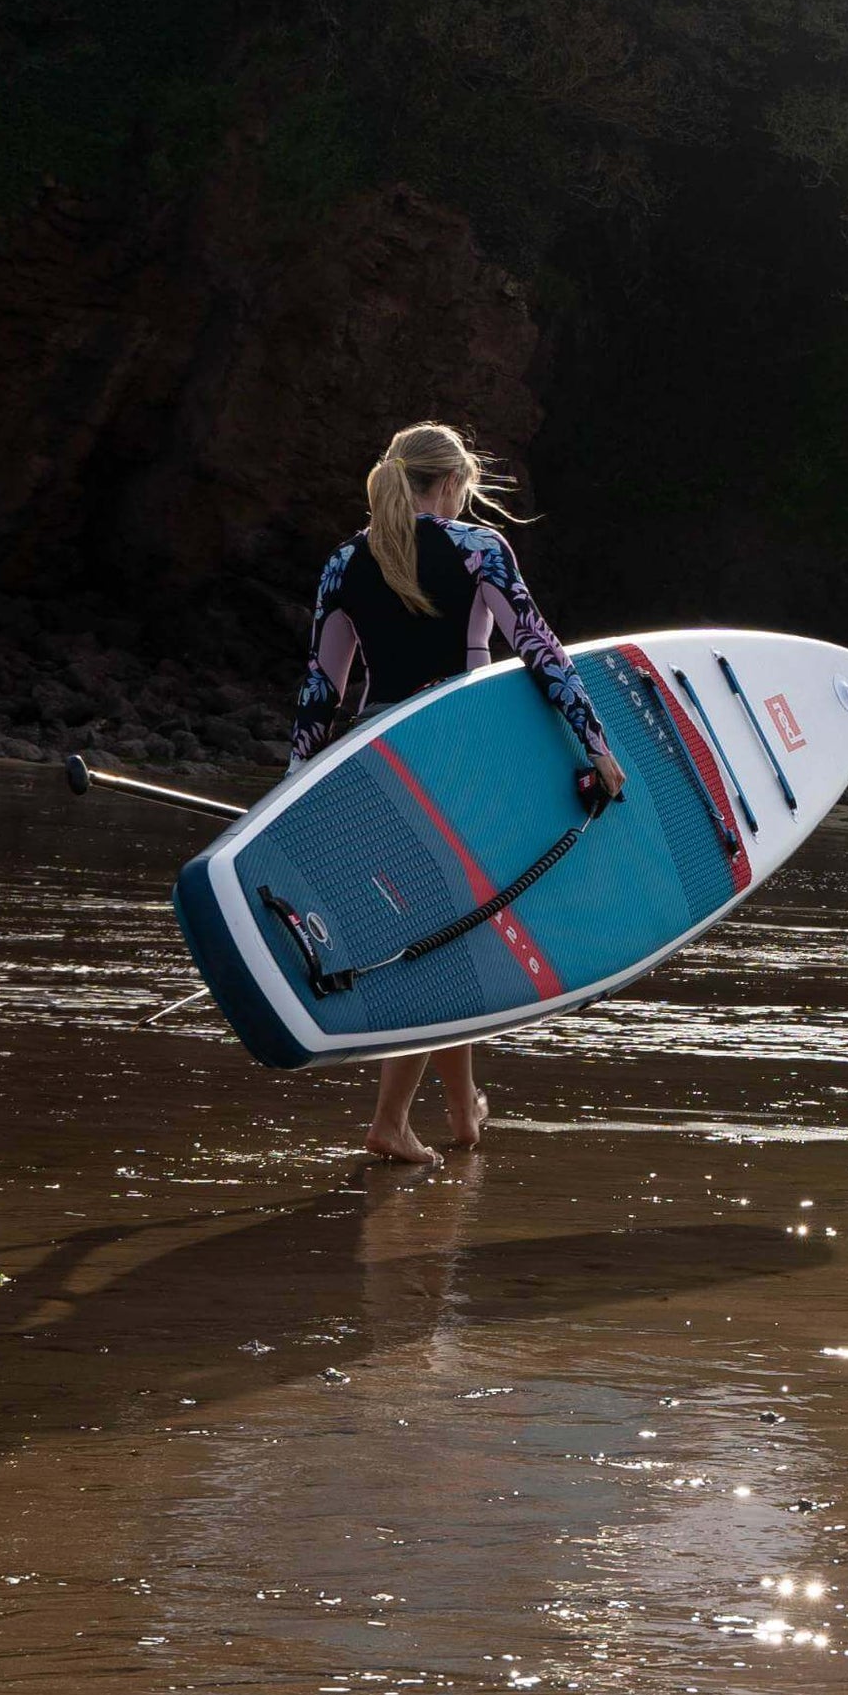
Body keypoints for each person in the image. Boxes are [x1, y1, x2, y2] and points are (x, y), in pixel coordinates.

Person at [288, 422, 626, 1166]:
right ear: (449, 483)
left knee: (448, 928)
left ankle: (459, 1109)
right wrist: (596, 746)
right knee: (442, 943)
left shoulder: (345, 560)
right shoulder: (479, 550)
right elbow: (539, 650)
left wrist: (293, 796)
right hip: (461, 759)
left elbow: (323, 691)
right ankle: (390, 1121)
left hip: (379, 764)